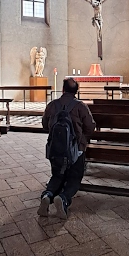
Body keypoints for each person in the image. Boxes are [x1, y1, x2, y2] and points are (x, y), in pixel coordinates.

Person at [37, 78, 96, 219]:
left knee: (57, 175)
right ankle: (63, 198)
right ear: (76, 91)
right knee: (75, 177)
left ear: (63, 89)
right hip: (76, 150)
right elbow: (91, 126)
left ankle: (47, 195)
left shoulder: (52, 105)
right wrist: (81, 140)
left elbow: (45, 125)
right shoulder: (81, 106)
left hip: (55, 149)